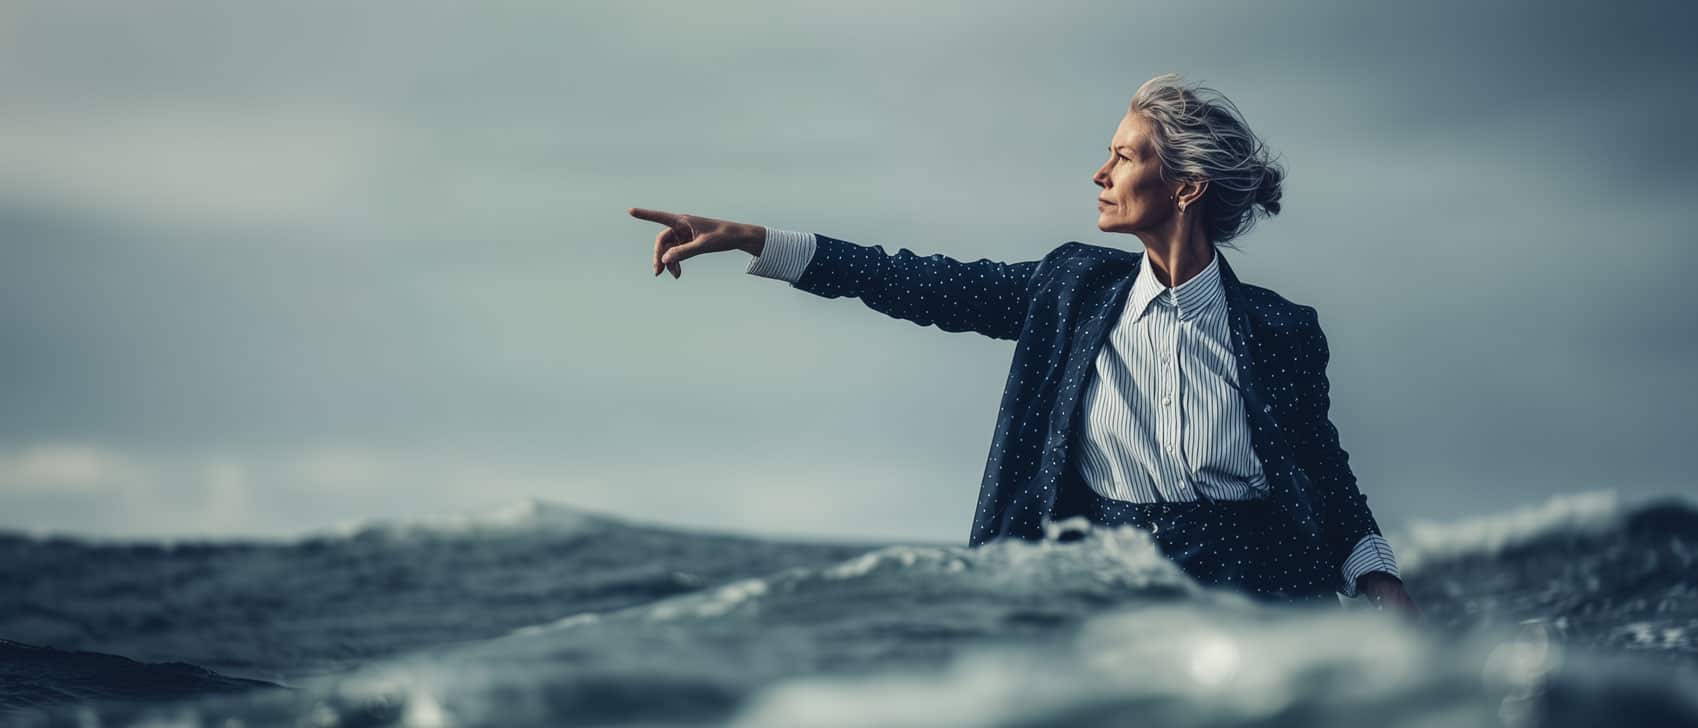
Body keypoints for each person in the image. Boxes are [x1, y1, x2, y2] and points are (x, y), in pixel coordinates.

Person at [627, 73, 1420, 620]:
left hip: (1267, 596)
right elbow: (919, 283)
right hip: (1115, 597)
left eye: (1125, 156)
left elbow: (1325, 473)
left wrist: (1381, 583)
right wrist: (759, 240)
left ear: (1185, 187)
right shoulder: (1071, 291)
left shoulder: (1281, 330)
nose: (1100, 172)